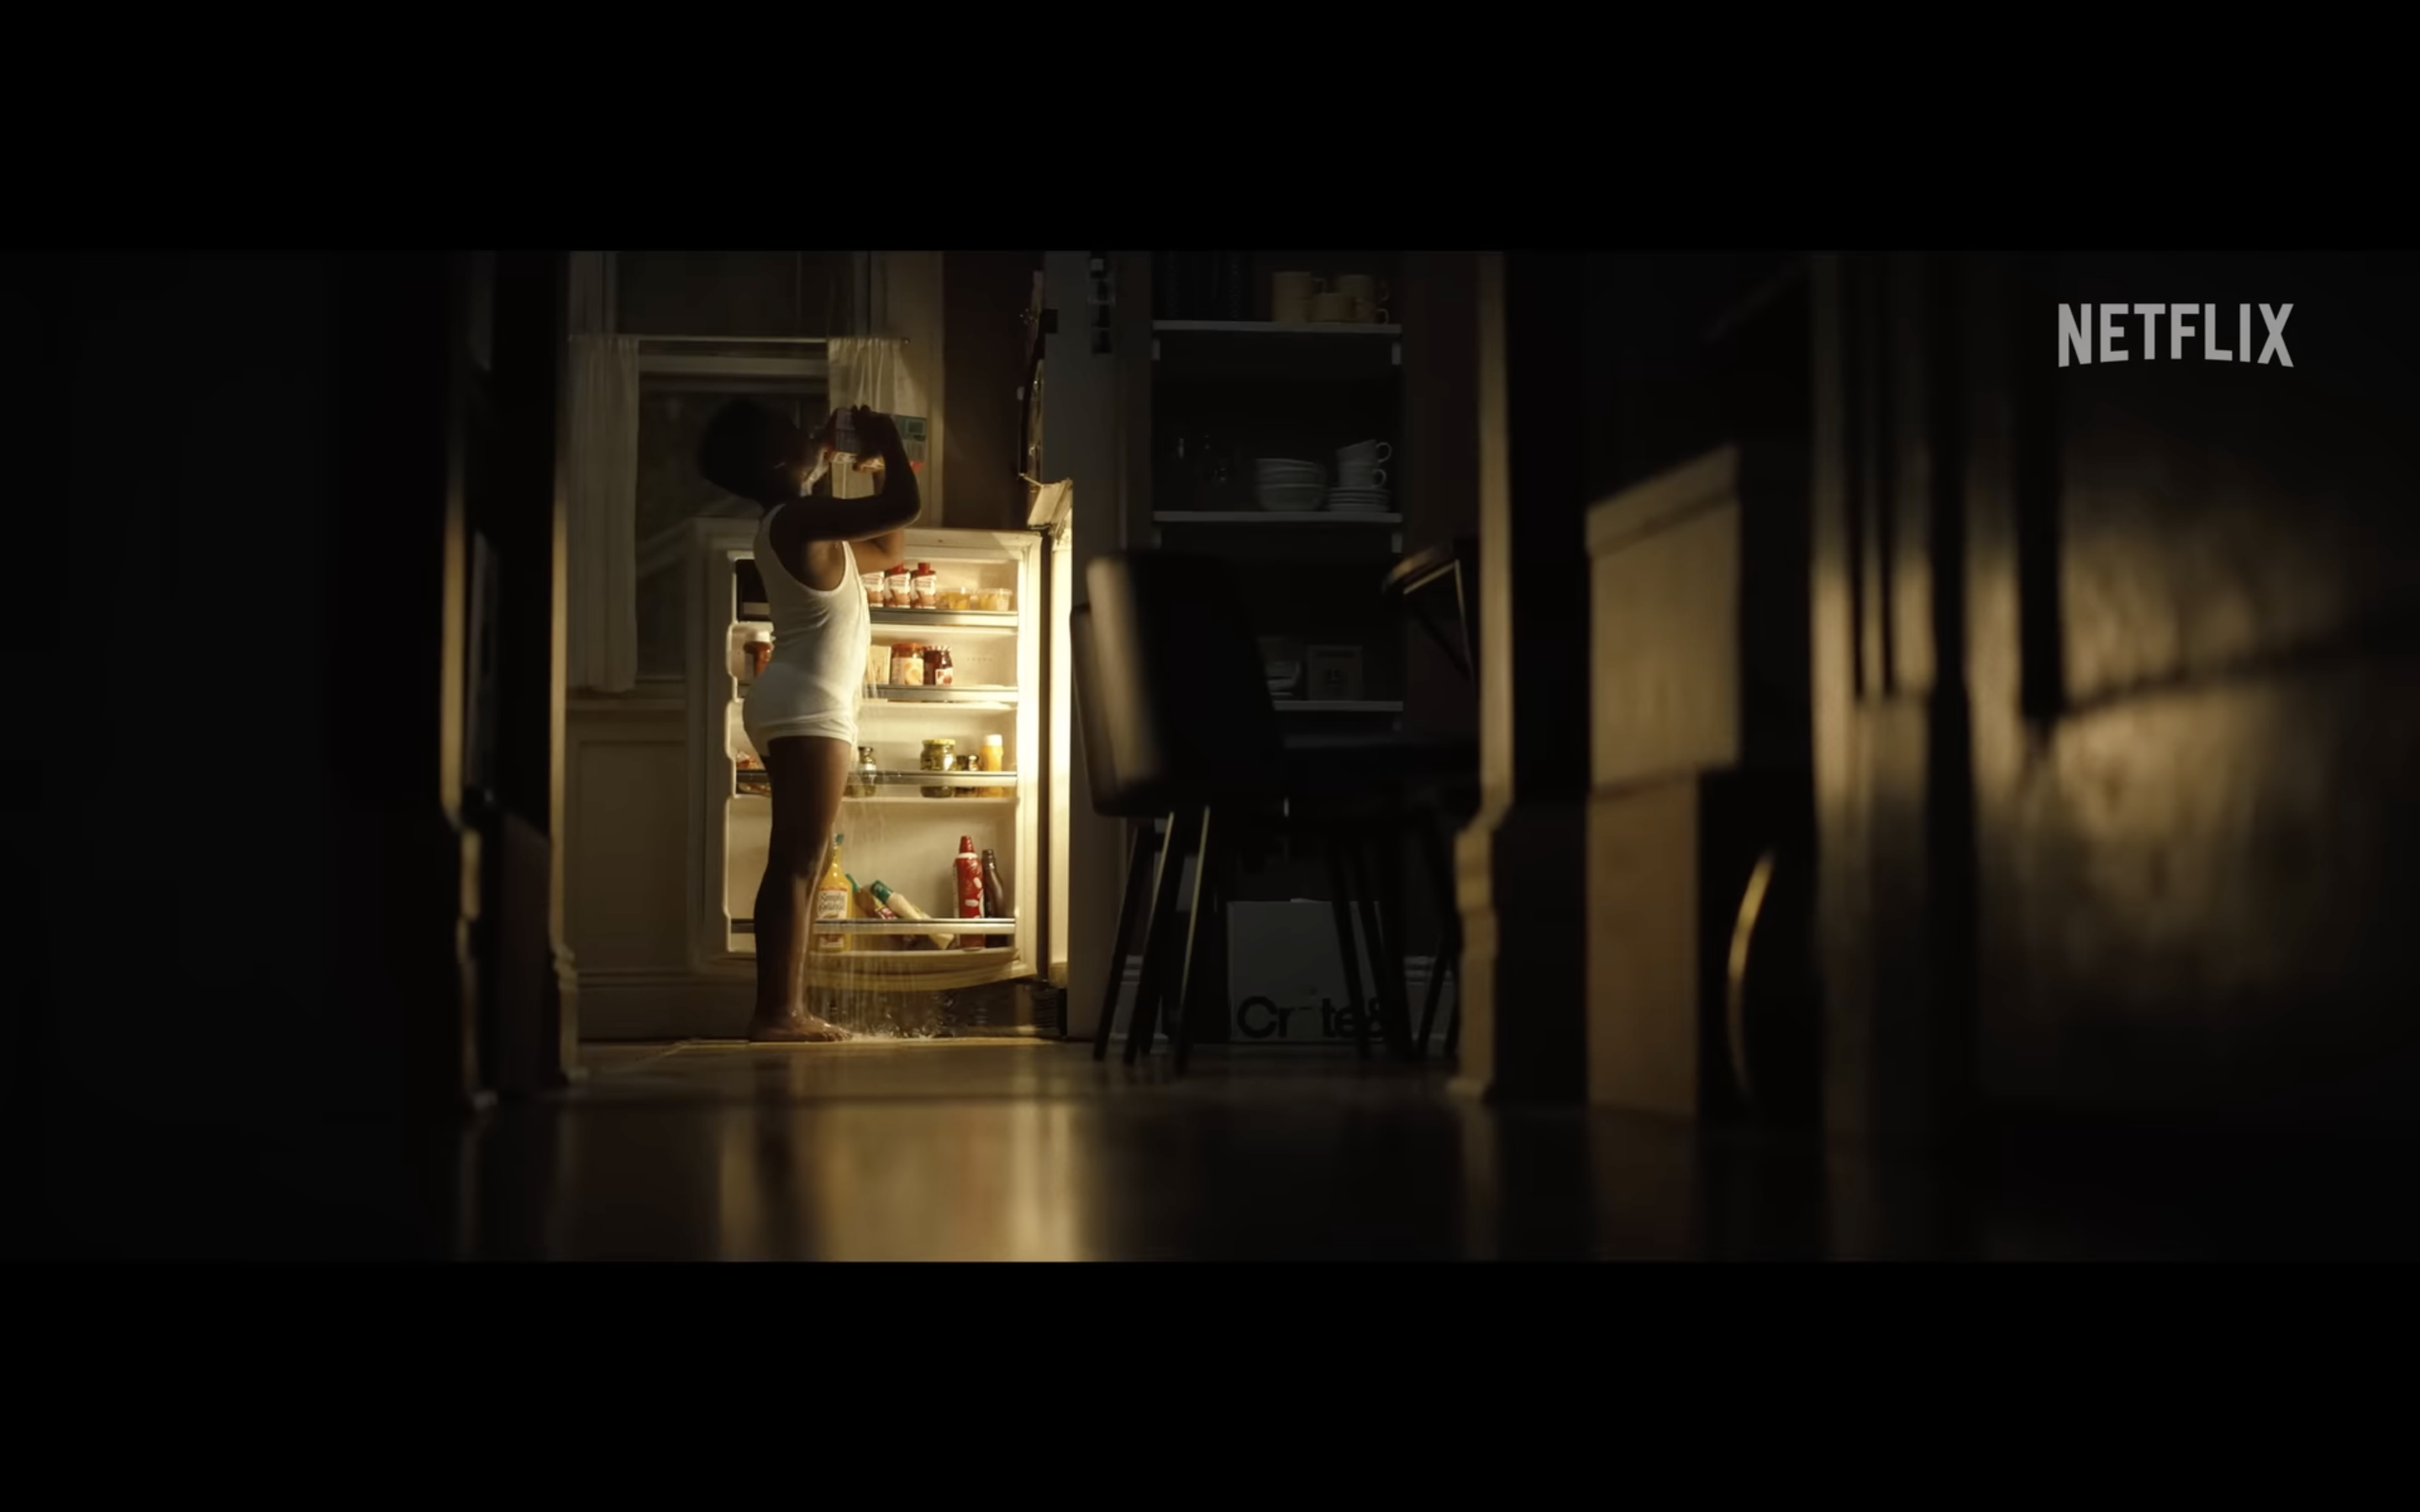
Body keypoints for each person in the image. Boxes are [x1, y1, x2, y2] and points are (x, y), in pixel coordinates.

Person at [697, 400, 919, 1042]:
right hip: (806, 708)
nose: (818, 438)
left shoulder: (803, 525)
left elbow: (889, 547)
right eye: (802, 434)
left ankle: (786, 1008)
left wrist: (875, 467)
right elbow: (906, 507)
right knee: (797, 861)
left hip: (804, 704)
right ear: (778, 460)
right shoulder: (794, 518)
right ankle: (777, 1012)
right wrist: (886, 443)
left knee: (804, 858)